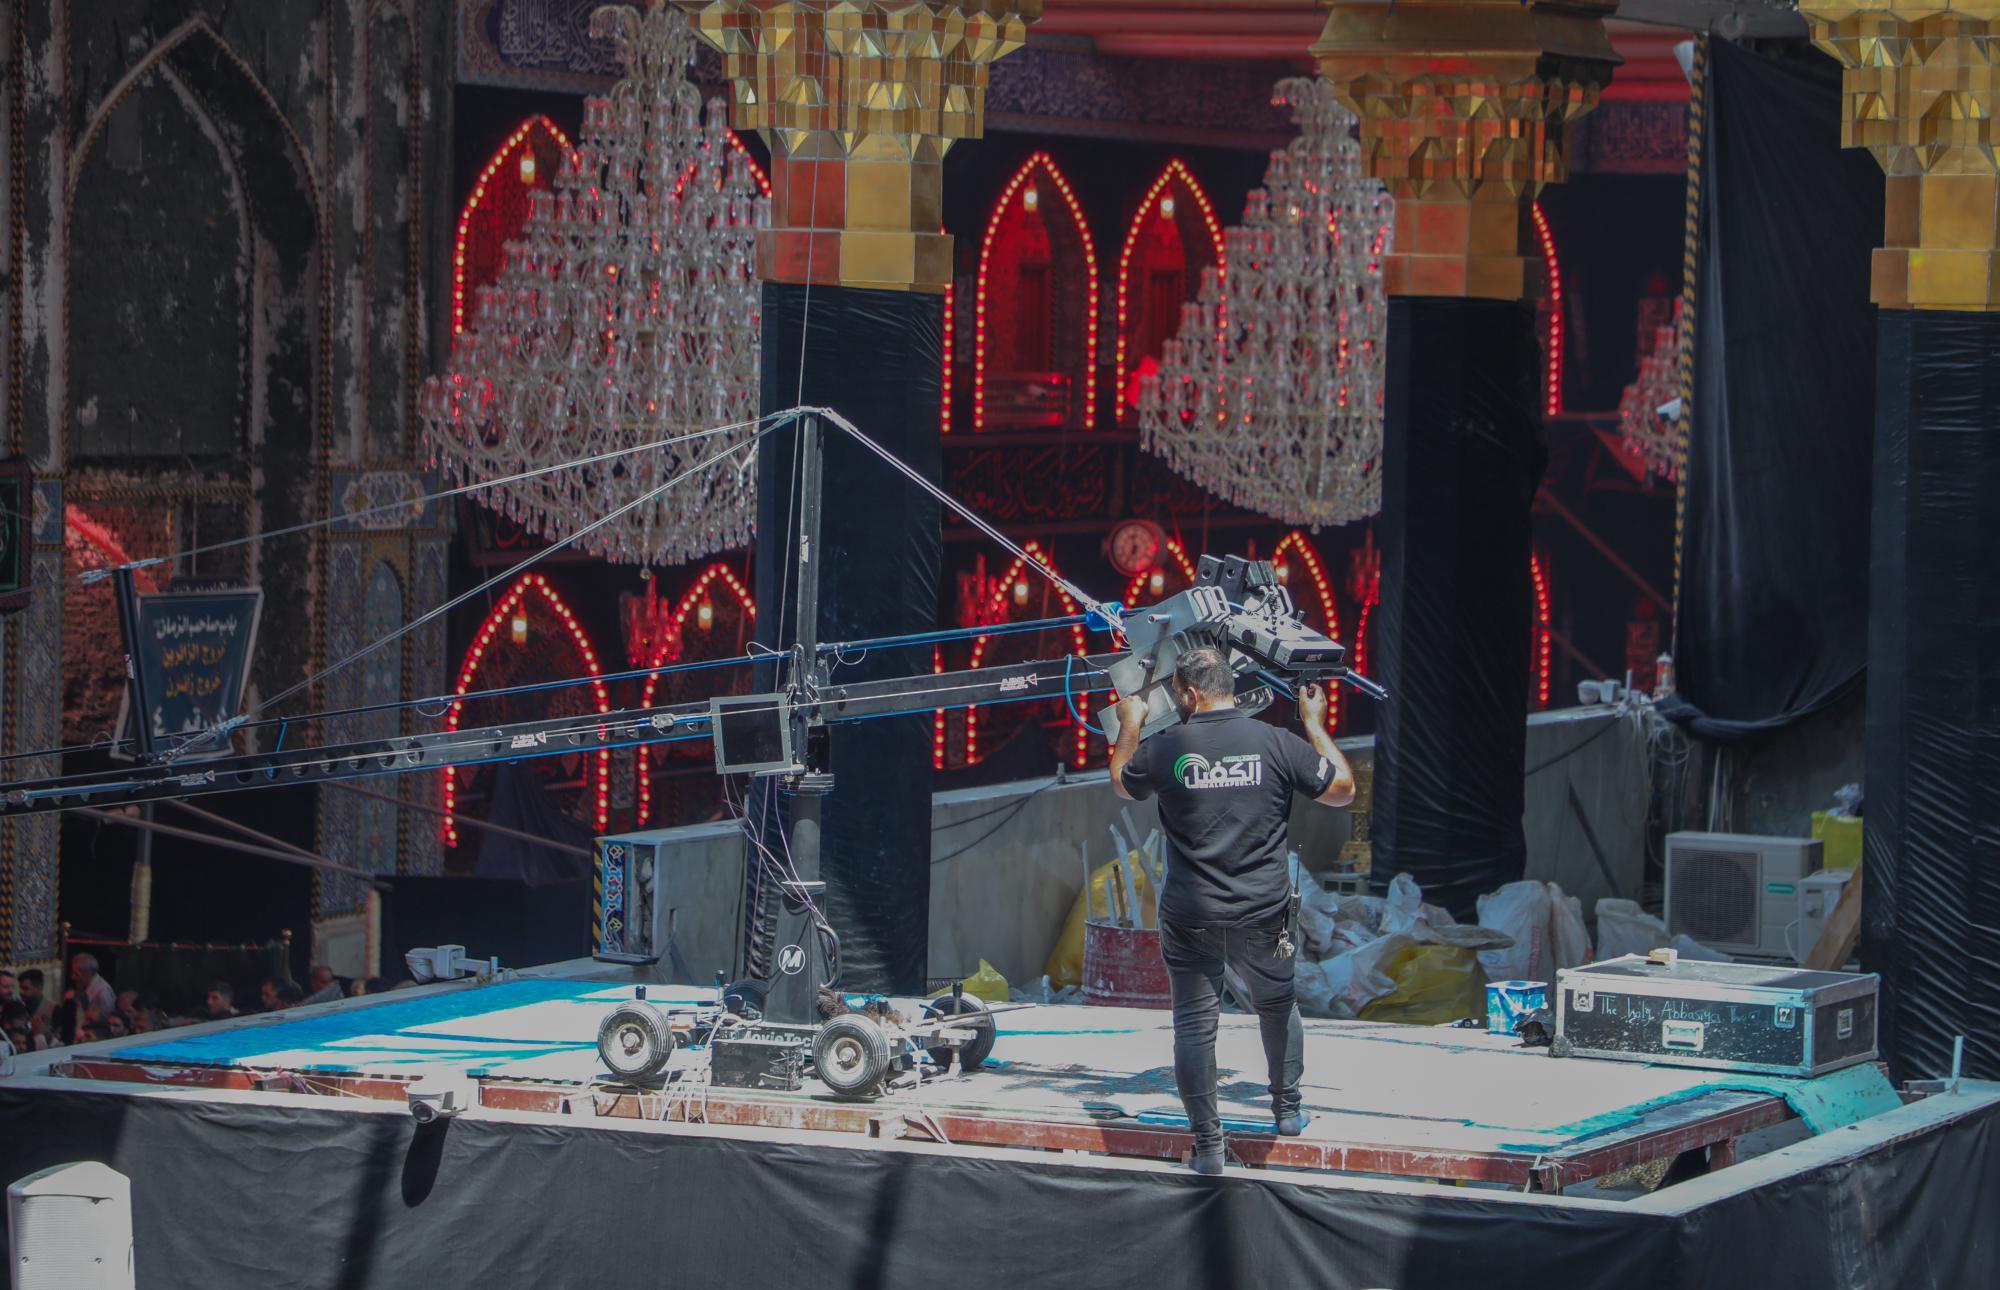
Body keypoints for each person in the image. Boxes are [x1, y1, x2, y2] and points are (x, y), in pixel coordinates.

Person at [1110, 646, 1356, 1176]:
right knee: (1277, 1003)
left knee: (1194, 1027)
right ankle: (1287, 1112)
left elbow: (1122, 783)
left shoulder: (1166, 747)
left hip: (1190, 916)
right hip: (1263, 912)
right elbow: (1343, 791)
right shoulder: (1274, 742)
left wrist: (1130, 722)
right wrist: (1315, 723)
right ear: (1229, 686)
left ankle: (1208, 1147)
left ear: (1188, 693)